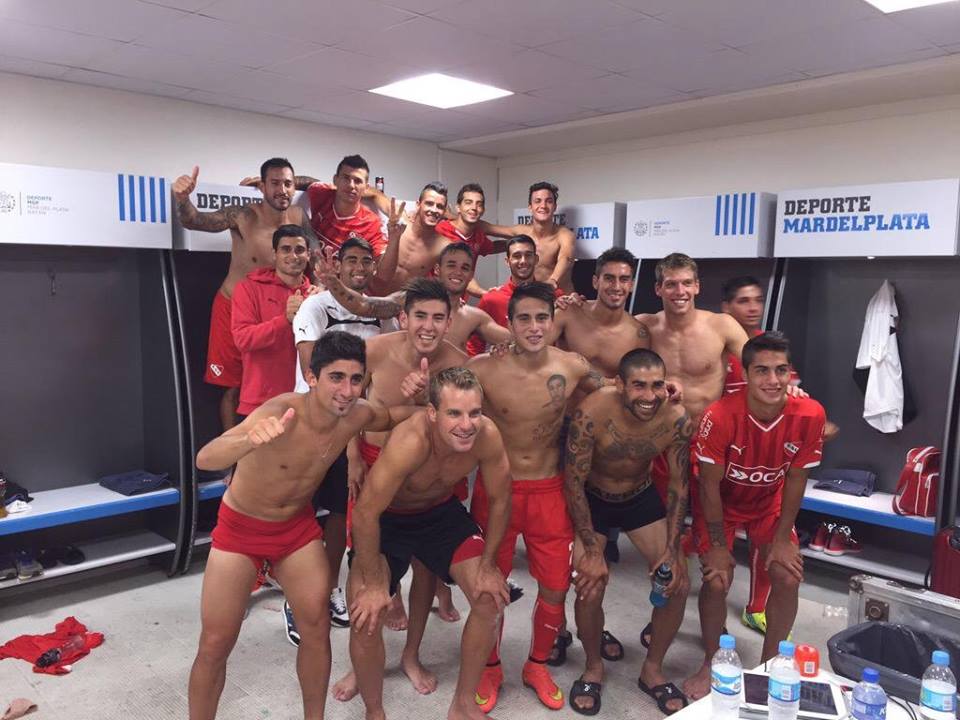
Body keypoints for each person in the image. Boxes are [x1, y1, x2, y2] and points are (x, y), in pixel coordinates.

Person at [188, 331, 415, 720]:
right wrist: (248, 440)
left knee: (316, 629)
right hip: (241, 529)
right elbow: (205, 458)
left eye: (355, 379)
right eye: (336, 377)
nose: (346, 390)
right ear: (312, 377)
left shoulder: (357, 413)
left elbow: (391, 415)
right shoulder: (280, 412)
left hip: (295, 529)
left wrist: (429, 403)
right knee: (215, 642)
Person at [465, 282, 610, 712]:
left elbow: (615, 389)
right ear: (509, 323)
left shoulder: (573, 366)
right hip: (498, 490)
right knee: (488, 586)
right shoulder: (482, 368)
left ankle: (537, 665)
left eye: (541, 318)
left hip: (549, 489)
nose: (533, 326)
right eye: (523, 318)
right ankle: (490, 666)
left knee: (555, 586)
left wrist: (665, 389)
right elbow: (439, 399)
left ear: (552, 322)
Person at [330, 278, 469, 702]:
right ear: (403, 318)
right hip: (374, 467)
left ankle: (411, 654)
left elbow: (460, 419)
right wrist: (353, 455)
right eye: (420, 316)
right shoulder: (373, 350)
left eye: (438, 318)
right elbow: (351, 405)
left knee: (426, 570)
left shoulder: (459, 363)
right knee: (366, 573)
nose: (428, 326)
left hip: (429, 476)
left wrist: (427, 398)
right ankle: (360, 666)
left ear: (449, 321)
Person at [349, 367, 513, 720]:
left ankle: (463, 705)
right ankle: (374, 711)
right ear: (433, 413)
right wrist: (376, 584)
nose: (466, 425)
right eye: (454, 413)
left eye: (474, 413)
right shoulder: (411, 440)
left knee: (489, 599)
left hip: (439, 514)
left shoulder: (487, 436)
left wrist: (488, 566)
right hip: (388, 519)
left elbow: (501, 500)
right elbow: (364, 513)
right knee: (366, 612)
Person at [683, 331, 826, 700]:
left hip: (768, 503)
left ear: (790, 373)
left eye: (781, 370)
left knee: (788, 574)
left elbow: (796, 479)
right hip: (721, 504)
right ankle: (713, 662)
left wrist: (782, 539)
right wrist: (718, 546)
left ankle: (771, 667)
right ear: (745, 374)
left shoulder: (810, 414)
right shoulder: (719, 416)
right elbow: (708, 486)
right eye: (762, 370)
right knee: (717, 579)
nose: (773, 380)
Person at [564, 349, 693, 715]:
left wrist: (672, 549)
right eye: (639, 386)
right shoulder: (592, 412)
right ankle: (593, 666)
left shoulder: (676, 418)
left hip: (639, 496)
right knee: (589, 585)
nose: (649, 396)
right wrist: (592, 552)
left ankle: (652, 669)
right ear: (620, 384)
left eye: (656, 385)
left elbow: (679, 487)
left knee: (678, 582)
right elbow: (573, 482)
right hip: (593, 498)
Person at [287, 237, 395, 634]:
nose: (359, 268)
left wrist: (356, 442)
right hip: (312, 429)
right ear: (338, 265)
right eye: (351, 260)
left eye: (366, 261)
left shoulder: (381, 312)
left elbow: (383, 376)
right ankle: (295, 598)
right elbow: (313, 372)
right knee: (298, 516)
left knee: (338, 516)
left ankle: (330, 588)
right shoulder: (315, 306)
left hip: (355, 430)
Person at [720, 275, 839, 634]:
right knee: (712, 553)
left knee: (768, 541)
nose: (753, 307)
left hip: (764, 465)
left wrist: (809, 423)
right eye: (743, 301)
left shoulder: (770, 350)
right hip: (724, 463)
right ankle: (712, 621)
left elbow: (794, 399)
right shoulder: (718, 349)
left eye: (758, 300)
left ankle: (756, 607)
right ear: (726, 308)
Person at [174, 157, 313, 430]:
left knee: (286, 381)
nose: (282, 190)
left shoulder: (299, 217)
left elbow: (315, 256)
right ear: (262, 186)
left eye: (288, 184)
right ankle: (232, 452)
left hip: (280, 309)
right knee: (233, 387)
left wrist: (320, 290)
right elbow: (195, 220)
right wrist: (182, 199)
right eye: (274, 183)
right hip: (234, 307)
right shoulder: (243, 215)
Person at [319, 241, 512, 353]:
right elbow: (363, 305)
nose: (458, 272)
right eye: (451, 265)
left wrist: (502, 352)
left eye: (465, 268)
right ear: (437, 269)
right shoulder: (411, 299)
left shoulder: (474, 317)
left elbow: (517, 342)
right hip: (407, 393)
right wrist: (334, 282)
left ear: (471, 275)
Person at [231, 225, 312, 419]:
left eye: (299, 250)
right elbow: (242, 339)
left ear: (308, 255)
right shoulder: (248, 289)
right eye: (286, 249)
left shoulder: (316, 295)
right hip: (261, 404)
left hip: (306, 403)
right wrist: (285, 320)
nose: (293, 256)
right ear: (275, 254)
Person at [479, 181, 576, 291]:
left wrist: (552, 281)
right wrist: (462, 220)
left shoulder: (565, 235)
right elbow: (488, 228)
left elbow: (566, 258)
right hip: (531, 297)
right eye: (537, 201)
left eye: (549, 201)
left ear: (554, 207)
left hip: (559, 296)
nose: (543, 206)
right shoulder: (521, 232)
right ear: (530, 207)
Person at [434, 183, 504, 297]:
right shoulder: (440, 230)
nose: (474, 208)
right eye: (468, 202)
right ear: (458, 207)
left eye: (479, 204)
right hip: (435, 298)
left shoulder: (478, 235)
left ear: (483, 210)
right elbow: (460, 274)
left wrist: (517, 243)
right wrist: (486, 294)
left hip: (458, 301)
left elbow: (492, 247)